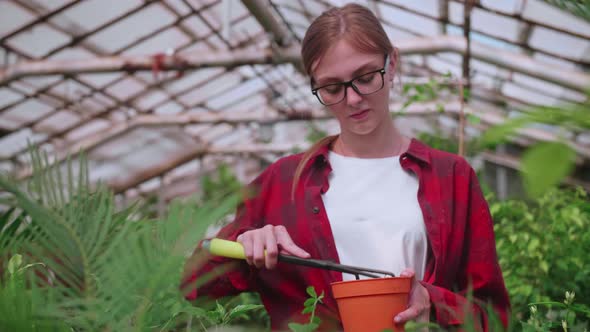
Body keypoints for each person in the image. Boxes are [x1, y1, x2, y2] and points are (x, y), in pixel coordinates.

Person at [182, 3, 510, 331]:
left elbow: (493, 316)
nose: (353, 99)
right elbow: (195, 286)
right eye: (332, 88)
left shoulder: (451, 177)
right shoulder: (282, 183)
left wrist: (434, 305)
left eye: (366, 78)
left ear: (392, 63)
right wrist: (244, 243)